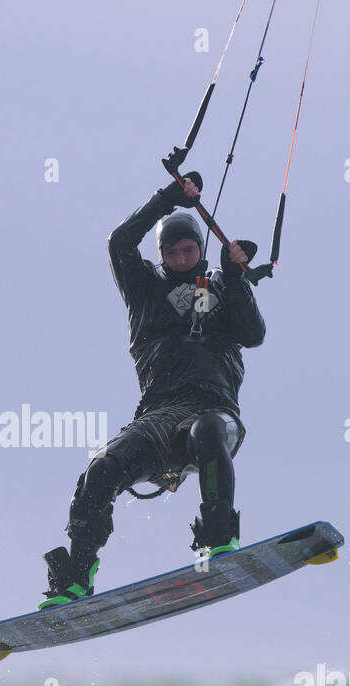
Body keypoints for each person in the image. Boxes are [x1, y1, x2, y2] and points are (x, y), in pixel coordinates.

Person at [38, 171, 266, 608]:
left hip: (213, 412)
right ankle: (76, 576)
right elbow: (119, 243)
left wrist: (237, 279)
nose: (181, 258)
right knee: (102, 468)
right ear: (161, 254)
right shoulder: (145, 289)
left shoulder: (222, 286)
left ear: (199, 250)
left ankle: (217, 540)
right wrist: (169, 198)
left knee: (206, 433)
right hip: (157, 415)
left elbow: (253, 335)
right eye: (171, 252)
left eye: (189, 250)